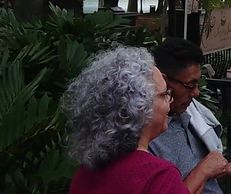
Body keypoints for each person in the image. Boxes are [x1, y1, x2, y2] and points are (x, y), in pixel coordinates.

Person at [64, 47, 190, 193]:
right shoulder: (160, 177)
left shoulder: (85, 173)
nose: (170, 99)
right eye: (164, 94)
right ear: (139, 108)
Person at [150, 38, 231, 194]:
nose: (196, 93)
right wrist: (202, 171)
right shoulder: (148, 134)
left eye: (197, 84)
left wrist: (225, 168)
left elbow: (196, 170)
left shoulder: (190, 114)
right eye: (190, 85)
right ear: (163, 81)